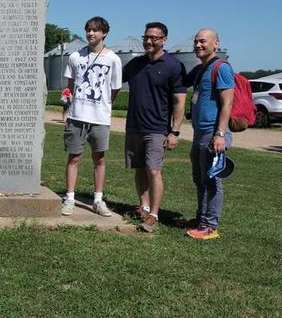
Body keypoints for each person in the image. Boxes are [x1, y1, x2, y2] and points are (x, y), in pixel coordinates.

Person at [122, 22, 187, 232]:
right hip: (134, 126)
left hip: (157, 129)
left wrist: (174, 131)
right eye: (146, 37)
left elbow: (179, 101)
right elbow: (111, 80)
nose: (149, 41)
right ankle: (144, 205)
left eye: (154, 38)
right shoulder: (134, 65)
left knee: (153, 170)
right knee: (139, 169)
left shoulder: (173, 65)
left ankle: (154, 214)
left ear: (164, 40)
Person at [61, 16, 123, 217]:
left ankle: (98, 200)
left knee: (99, 159)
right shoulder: (75, 57)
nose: (91, 33)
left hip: (100, 118)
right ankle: (69, 198)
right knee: (74, 158)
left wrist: (102, 105)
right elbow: (70, 86)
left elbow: (114, 89)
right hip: (77, 116)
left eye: (96, 30)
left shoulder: (113, 59)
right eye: (88, 29)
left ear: (104, 33)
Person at [186, 28, 235, 240]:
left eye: (203, 42)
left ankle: (210, 226)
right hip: (200, 132)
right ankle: (201, 218)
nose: (198, 45)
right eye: (196, 42)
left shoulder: (221, 68)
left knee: (212, 180)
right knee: (199, 178)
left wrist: (220, 134)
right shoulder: (201, 69)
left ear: (216, 43)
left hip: (214, 134)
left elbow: (227, 103)